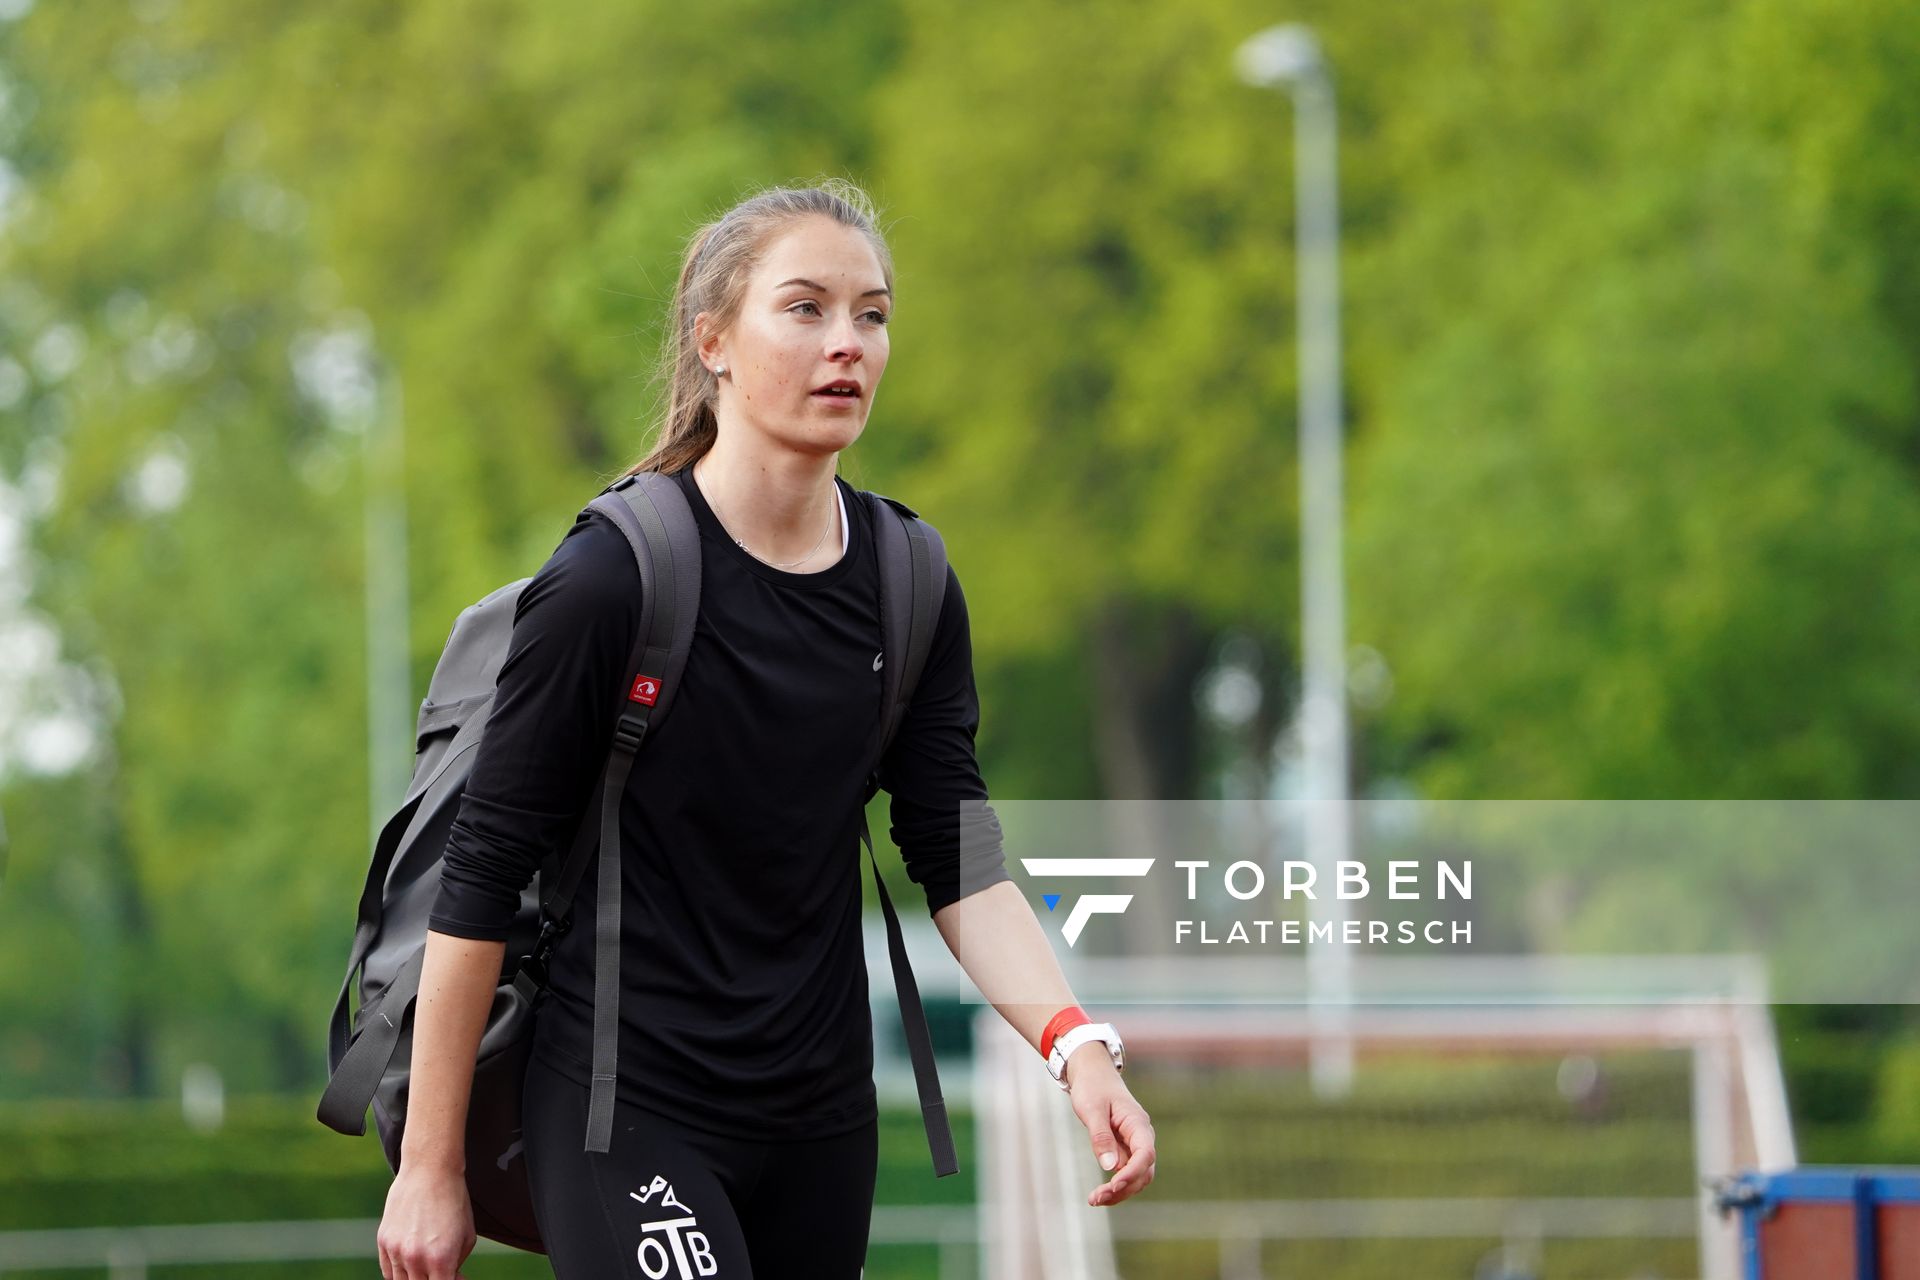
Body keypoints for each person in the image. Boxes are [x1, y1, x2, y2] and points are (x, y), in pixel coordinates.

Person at [375, 179, 1157, 1280]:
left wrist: (1076, 1045)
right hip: (622, 1105)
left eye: (872, 315)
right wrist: (429, 1161)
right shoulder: (611, 579)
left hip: (819, 1121)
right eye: (806, 309)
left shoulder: (910, 582)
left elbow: (959, 859)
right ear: (715, 343)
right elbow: (483, 870)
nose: (848, 344)